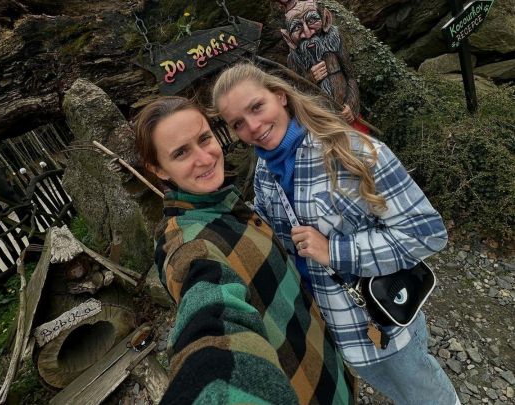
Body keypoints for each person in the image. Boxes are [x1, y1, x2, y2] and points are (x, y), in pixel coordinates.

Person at [213, 62, 460, 404]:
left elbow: (427, 233)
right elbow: (272, 234)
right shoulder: (265, 173)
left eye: (257, 107)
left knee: (426, 395)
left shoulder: (351, 152)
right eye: (238, 123)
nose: (252, 127)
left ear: (281, 96)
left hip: (386, 321)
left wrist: (335, 251)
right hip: (328, 330)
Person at [134, 96, 354, 405]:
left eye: (204, 139)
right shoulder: (187, 245)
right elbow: (209, 310)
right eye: (181, 153)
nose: (204, 158)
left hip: (331, 377)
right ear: (158, 169)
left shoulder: (227, 207)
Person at [274, 0, 367, 133]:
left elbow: (350, 77)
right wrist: (310, 78)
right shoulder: (294, 58)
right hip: (324, 123)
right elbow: (298, 94)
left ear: (325, 20)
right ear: (288, 38)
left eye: (312, 21)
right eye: (297, 27)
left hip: (348, 116)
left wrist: (351, 105)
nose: (308, 33)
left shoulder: (334, 40)